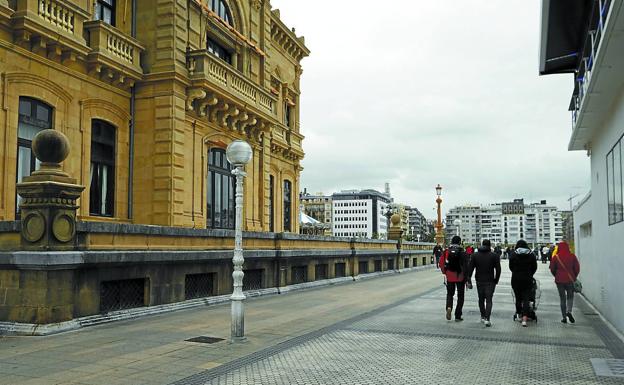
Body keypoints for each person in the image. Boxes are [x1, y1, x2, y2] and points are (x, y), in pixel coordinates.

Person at [468, 239, 501, 327]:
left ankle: (482, 316)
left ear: (482, 245)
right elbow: (498, 269)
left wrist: (469, 280)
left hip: (479, 280)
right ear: (490, 246)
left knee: (481, 299)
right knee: (489, 300)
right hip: (490, 280)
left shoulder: (475, 255)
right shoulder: (494, 255)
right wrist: (496, 279)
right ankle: (487, 318)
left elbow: (470, 269)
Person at [439, 235, 470, 322]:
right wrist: (467, 278)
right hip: (460, 277)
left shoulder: (446, 251)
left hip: (450, 276)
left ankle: (449, 307)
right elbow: (466, 266)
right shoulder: (463, 253)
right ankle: (458, 315)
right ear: (460, 242)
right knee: (460, 296)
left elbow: (441, 263)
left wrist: (445, 272)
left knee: (450, 294)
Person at [550, 241, 580, 324]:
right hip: (570, 280)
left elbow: (552, 268)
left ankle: (564, 318)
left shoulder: (556, 257)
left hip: (559, 280)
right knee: (570, 296)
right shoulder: (572, 256)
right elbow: (577, 268)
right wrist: (574, 276)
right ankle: (569, 311)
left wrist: (556, 275)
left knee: (562, 298)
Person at [509, 239, 537, 327]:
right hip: (527, 279)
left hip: (516, 279)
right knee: (526, 298)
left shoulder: (513, 254)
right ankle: (525, 319)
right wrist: (529, 274)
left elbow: (511, 267)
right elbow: (534, 267)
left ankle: (519, 315)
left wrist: (516, 272)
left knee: (518, 298)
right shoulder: (531, 254)